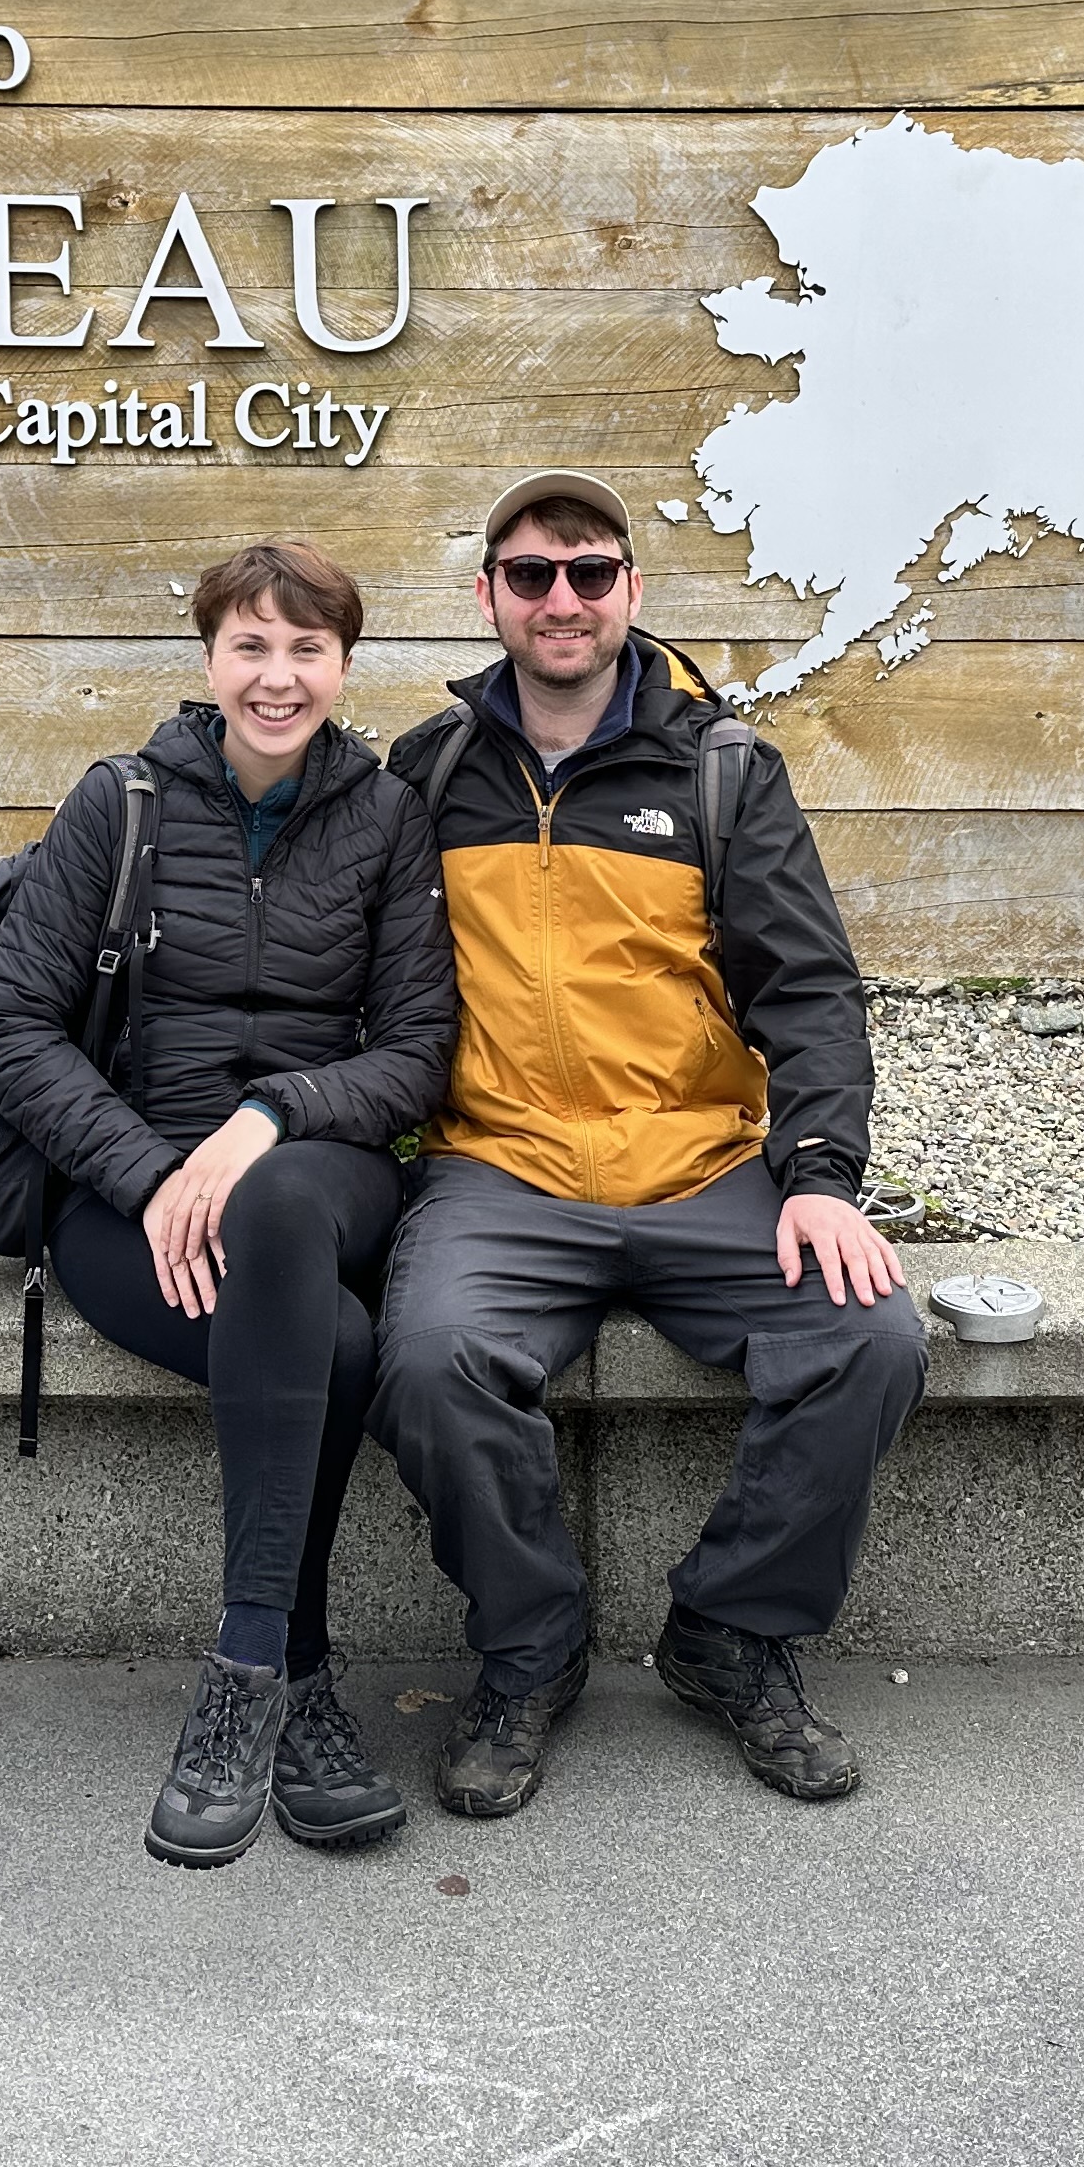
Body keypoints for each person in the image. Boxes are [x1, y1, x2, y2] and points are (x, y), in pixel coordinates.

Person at [376, 470, 924, 1815]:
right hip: (499, 1169)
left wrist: (820, 1179)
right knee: (432, 1362)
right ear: (488, 595)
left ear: (632, 588)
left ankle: (729, 1634)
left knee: (872, 1338)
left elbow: (807, 991)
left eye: (590, 570)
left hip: (700, 1170)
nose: (562, 598)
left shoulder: (721, 768)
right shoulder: (428, 773)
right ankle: (530, 1648)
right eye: (531, 574)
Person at [0, 538, 458, 1869]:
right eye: (253, 646)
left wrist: (270, 1114)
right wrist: (148, 1171)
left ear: (345, 666)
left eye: (307, 649)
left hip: (318, 1165)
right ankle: (301, 1683)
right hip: (132, 1195)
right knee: (338, 1348)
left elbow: (418, 1050)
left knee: (284, 1207)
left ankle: (239, 1673)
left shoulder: (386, 816)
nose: (278, 676)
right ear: (208, 660)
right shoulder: (117, 802)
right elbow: (9, 1027)